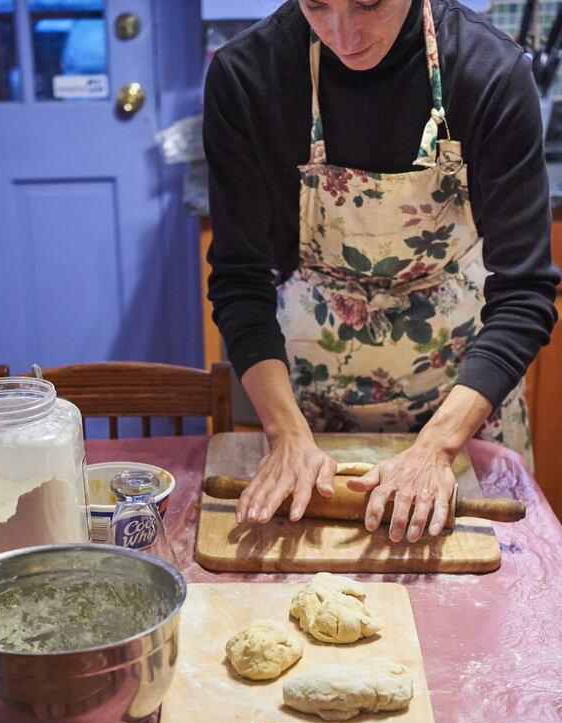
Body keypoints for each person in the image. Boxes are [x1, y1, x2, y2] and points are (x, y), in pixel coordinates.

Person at [203, 0, 559, 542]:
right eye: (318, 4)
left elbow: (524, 293)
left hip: (464, 401)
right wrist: (286, 434)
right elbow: (240, 279)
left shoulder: (488, 72)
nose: (344, 35)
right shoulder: (250, 77)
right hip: (310, 414)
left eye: (369, 1)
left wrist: (439, 446)